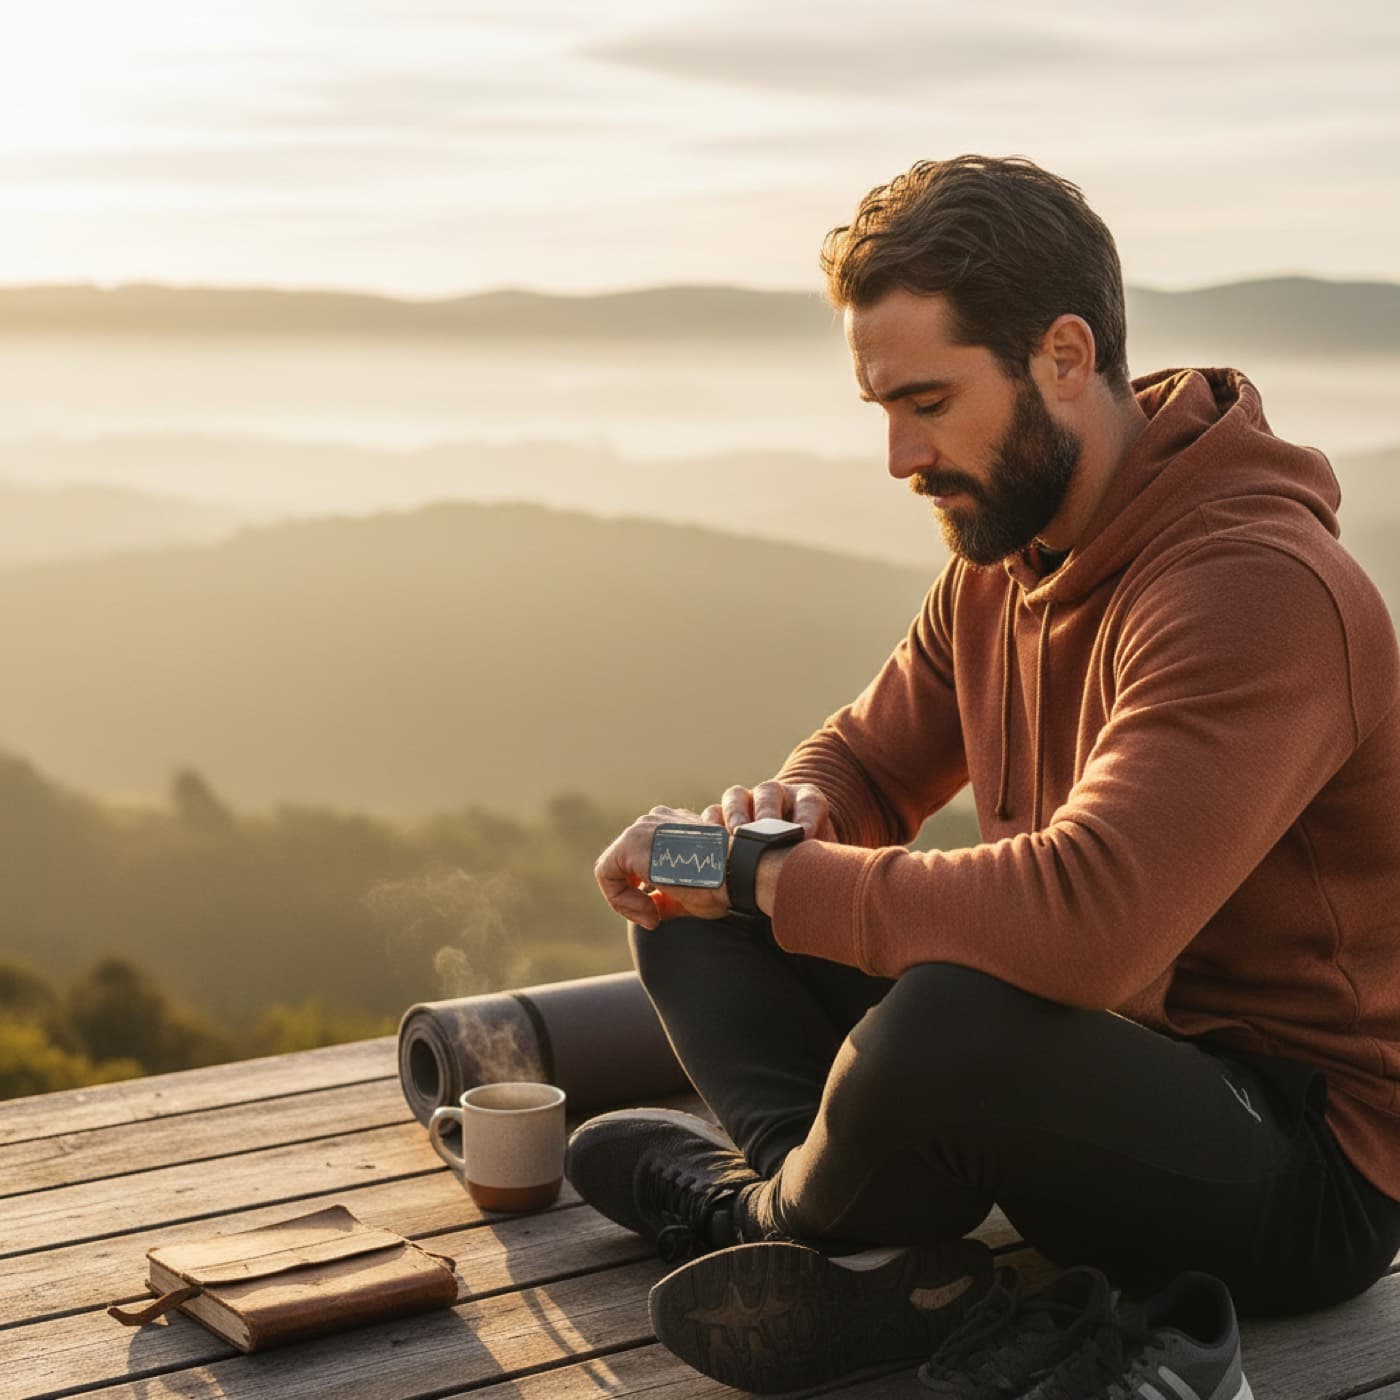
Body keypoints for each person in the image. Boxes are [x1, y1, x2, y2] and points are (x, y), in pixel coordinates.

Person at [566, 154, 1400, 1396]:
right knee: (690, 904)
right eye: (880, 410)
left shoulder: (1250, 588)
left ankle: (768, 1225)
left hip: (1295, 1163)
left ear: (1062, 356)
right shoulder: (1006, 552)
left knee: (942, 1020)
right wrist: (761, 828)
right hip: (1078, 1068)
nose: (900, 455)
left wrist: (771, 874)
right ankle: (854, 1234)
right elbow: (859, 757)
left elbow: (1085, 927)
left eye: (927, 401)